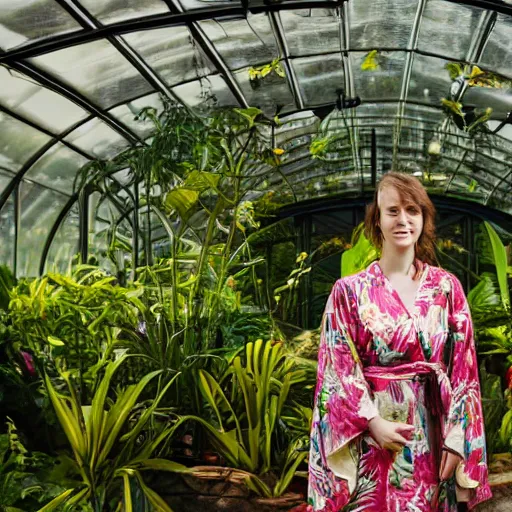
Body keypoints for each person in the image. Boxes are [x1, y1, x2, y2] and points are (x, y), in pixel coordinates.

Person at [307, 172, 491, 511]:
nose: (403, 220)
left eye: (412, 210)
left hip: (434, 435)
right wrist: (373, 423)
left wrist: (456, 441)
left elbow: (464, 372)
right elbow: (338, 369)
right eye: (392, 211)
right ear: (377, 221)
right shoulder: (349, 291)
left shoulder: (446, 288)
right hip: (372, 436)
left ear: (423, 218)